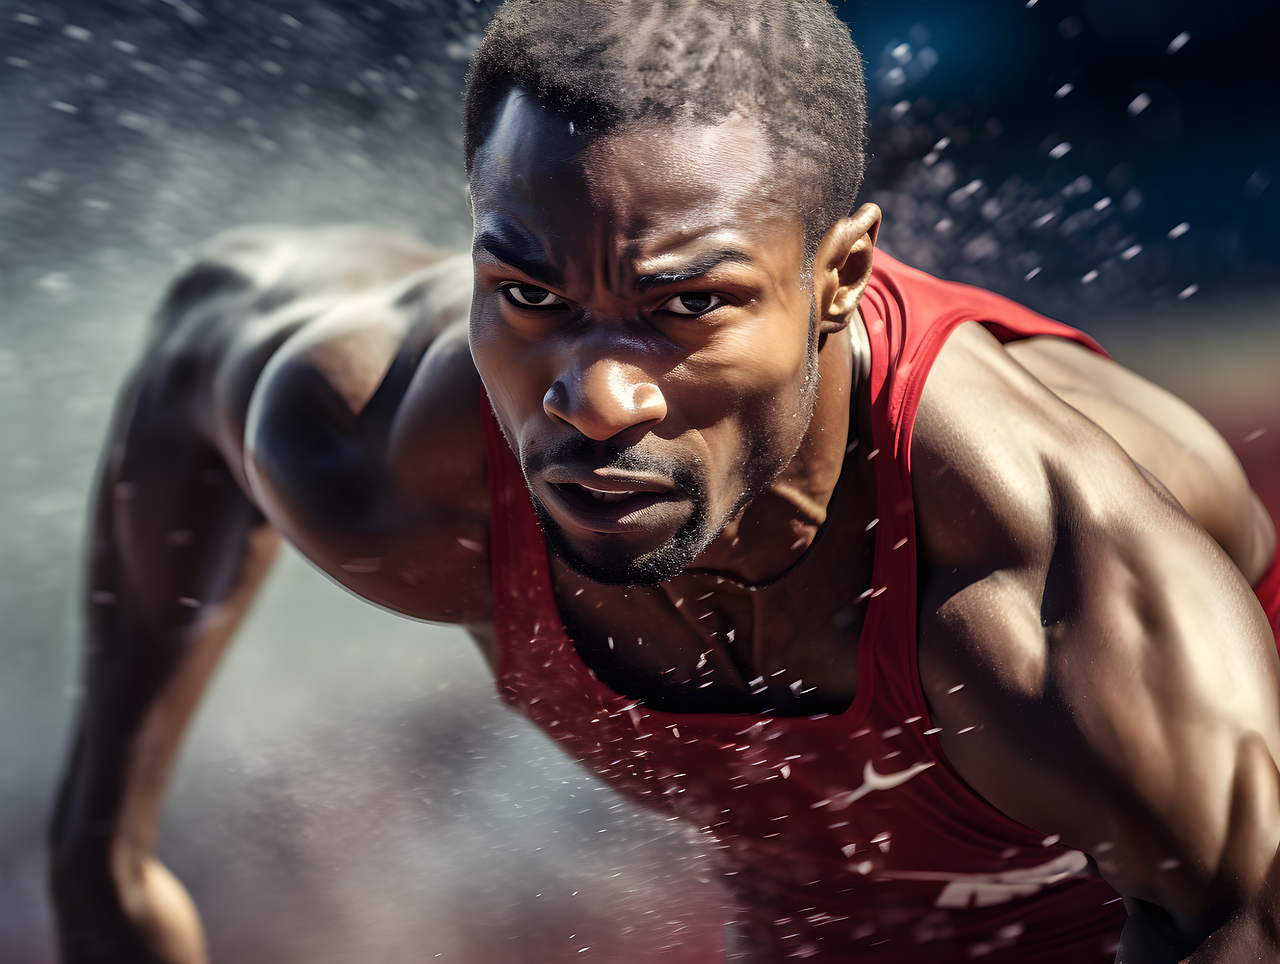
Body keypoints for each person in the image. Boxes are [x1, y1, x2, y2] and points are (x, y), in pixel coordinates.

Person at [50, 1, 1280, 961]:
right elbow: (198, 338)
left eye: (685, 306)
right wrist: (103, 848)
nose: (591, 401)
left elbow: (1237, 910)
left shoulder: (1055, 595)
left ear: (840, 275)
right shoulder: (384, 452)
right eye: (529, 296)